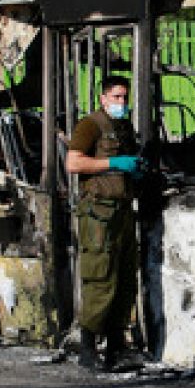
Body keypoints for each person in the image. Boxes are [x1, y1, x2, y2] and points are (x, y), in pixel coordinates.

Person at [66, 76, 142, 370]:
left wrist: (135, 168)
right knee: (100, 277)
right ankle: (88, 348)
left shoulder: (124, 127)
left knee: (124, 280)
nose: (121, 103)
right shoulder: (91, 125)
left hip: (122, 211)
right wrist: (112, 164)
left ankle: (115, 349)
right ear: (103, 98)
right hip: (98, 213)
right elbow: (73, 163)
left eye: (124, 97)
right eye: (116, 97)